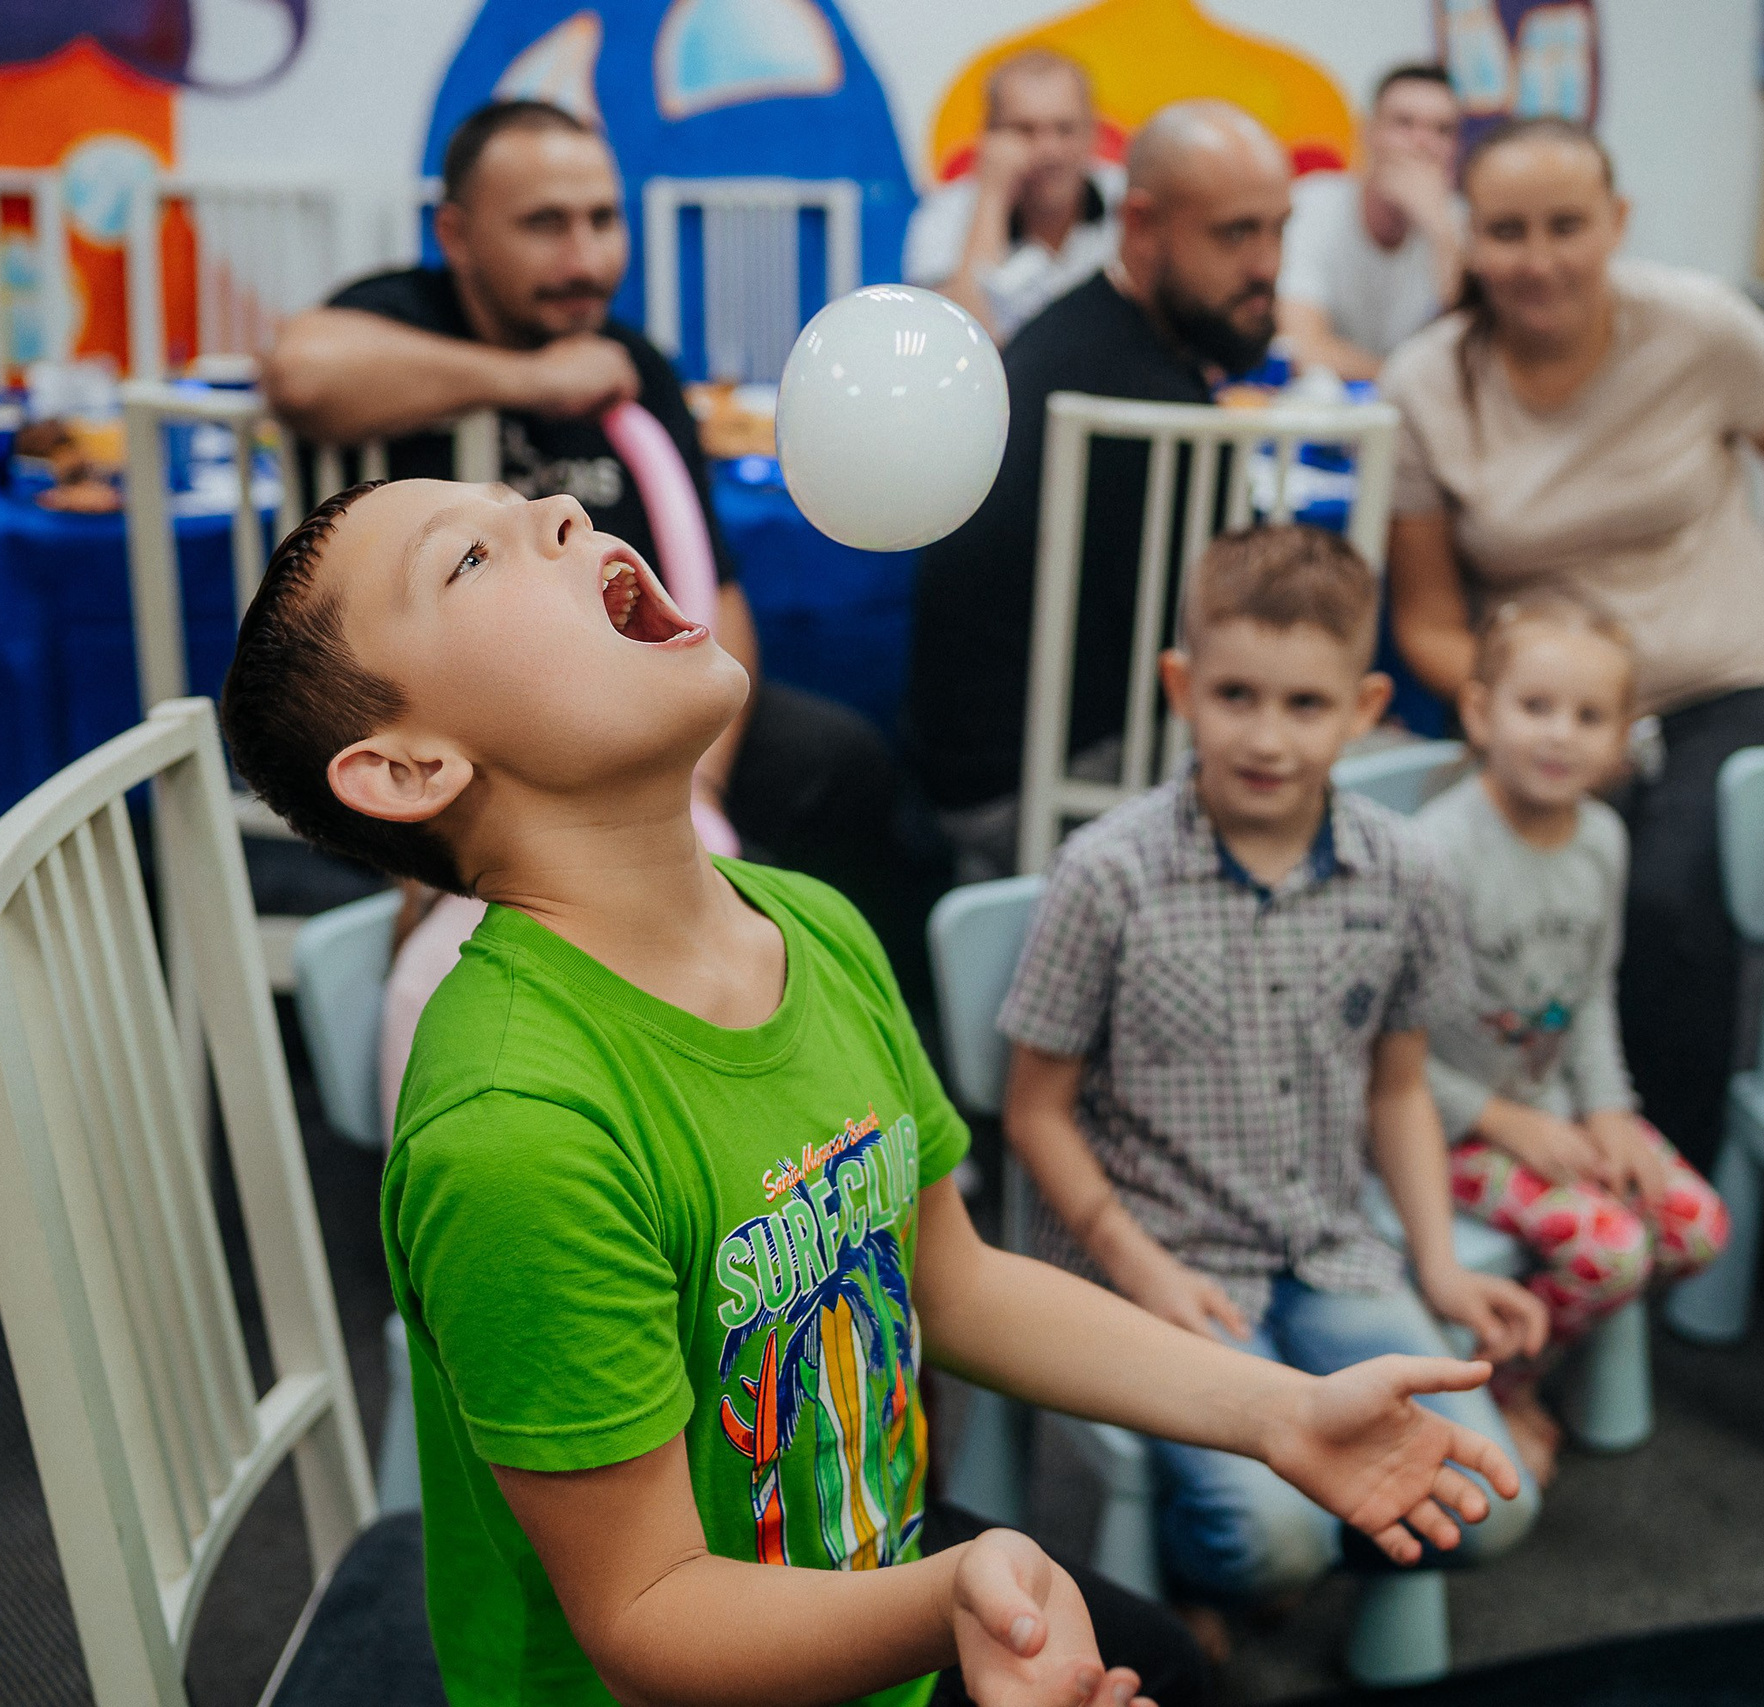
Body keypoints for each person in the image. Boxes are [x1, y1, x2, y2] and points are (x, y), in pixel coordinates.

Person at [219, 478, 1531, 1707]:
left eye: (534, 506)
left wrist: (1277, 1407)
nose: (563, 509)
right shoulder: (517, 1128)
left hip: (881, 1577)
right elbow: (648, 1609)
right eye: (470, 556)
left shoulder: (809, 922)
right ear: (406, 769)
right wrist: (956, 1590)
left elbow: (951, 1282)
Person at [999, 525, 1547, 1628]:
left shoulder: (1405, 870)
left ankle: (1304, 1531)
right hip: (1167, 1268)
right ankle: (1210, 1572)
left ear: (1363, 706)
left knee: (1499, 1506)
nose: (1266, 736)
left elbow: (1398, 1087)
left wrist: (1435, 1265)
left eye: (1305, 706)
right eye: (1235, 695)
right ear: (1181, 686)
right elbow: (1035, 1109)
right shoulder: (1108, 873)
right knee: (1267, 1544)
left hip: (1327, 1246)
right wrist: (1136, 1266)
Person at [264, 99, 924, 980]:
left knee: (840, 760)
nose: (586, 258)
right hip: (459, 728)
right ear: (455, 235)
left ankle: (845, 1006)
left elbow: (713, 592)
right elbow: (301, 372)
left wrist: (703, 793)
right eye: (545, 224)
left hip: (619, 710)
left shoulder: (634, 366)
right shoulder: (402, 314)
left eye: (603, 220)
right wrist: (528, 379)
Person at [1380, 118, 1764, 1175]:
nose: (1536, 260)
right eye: (1504, 230)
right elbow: (1426, 621)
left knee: (1669, 893)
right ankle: (1507, 1146)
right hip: (1556, 706)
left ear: (1616, 224)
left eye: (1565, 227)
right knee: (1524, 888)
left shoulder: (1702, 329)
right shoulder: (1425, 384)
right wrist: (1530, 711)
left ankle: (1660, 1170)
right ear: (1467, 237)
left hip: (1730, 681)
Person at [905, 101, 1293, 880]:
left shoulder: (1075, 332)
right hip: (1036, 800)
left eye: (1279, 229)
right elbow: (1250, 645)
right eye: (1235, 233)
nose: (1267, 265)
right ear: (1141, 226)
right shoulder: (1147, 409)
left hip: (959, 782)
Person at [1415, 592, 1728, 1486]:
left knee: (1695, 1226)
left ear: (1623, 736)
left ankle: (1532, 1346)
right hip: (1450, 1127)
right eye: (1535, 706)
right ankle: (1498, 1382)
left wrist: (1612, 1112)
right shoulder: (1439, 854)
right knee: (1614, 1250)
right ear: (1480, 711)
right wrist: (1507, 1122)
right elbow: (1378, 1057)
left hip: (1552, 1106)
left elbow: (1589, 995)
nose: (1560, 735)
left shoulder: (1601, 839)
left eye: (1589, 716)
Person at [904, 48, 1122, 343]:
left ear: (1092, 132)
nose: (1049, 150)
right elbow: (957, 346)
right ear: (988, 136)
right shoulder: (946, 213)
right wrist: (991, 198)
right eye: (1024, 130)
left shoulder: (1130, 201)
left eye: (1065, 129)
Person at [1275, 64, 1467, 382]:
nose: (1422, 143)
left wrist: (1441, 232)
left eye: (1442, 130)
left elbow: (1475, 354)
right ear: (1368, 132)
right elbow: (1302, 346)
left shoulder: (1462, 224)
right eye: (1403, 124)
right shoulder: (1313, 204)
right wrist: (1408, 385)